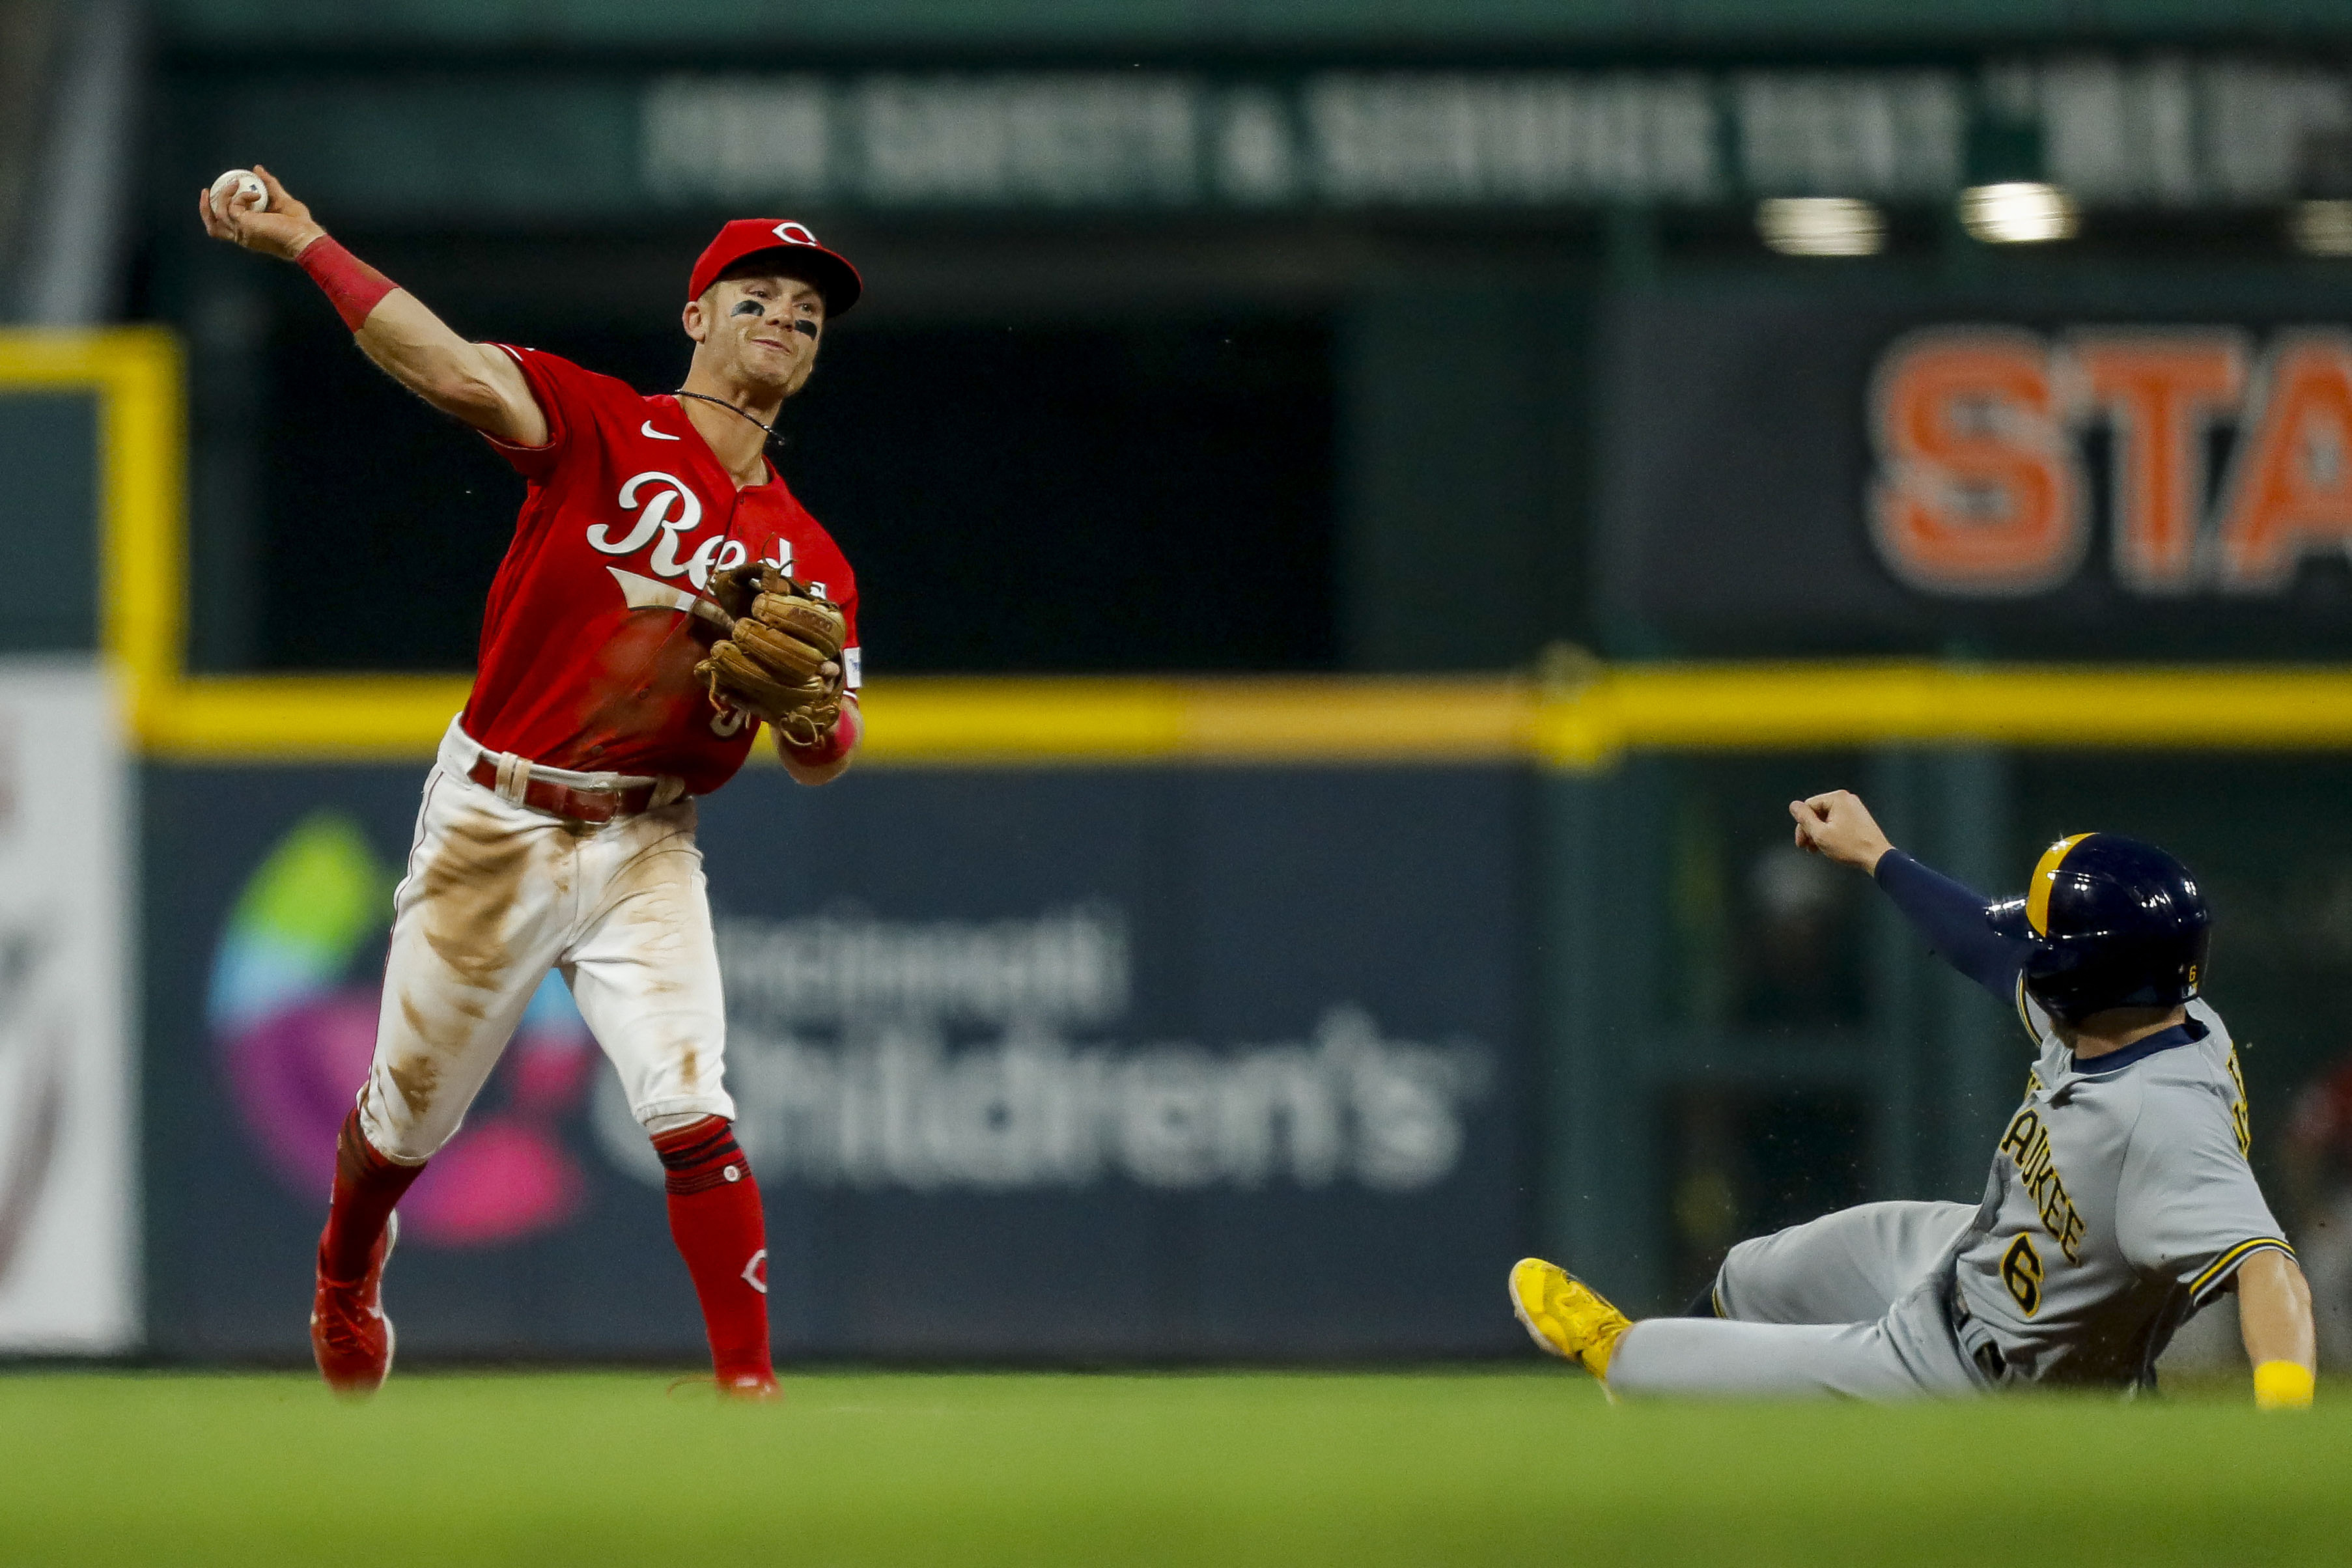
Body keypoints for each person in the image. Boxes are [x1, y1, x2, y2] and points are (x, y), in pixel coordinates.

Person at [199, 166, 866, 1399]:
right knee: (408, 1119)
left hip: (647, 842)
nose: (784, 318)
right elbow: (450, 368)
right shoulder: (599, 419)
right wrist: (307, 242)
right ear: (696, 318)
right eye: (756, 295)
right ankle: (346, 1275)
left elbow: (827, 755)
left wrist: (813, 715)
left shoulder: (809, 552)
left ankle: (749, 1389)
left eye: (808, 313)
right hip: (496, 813)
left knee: (688, 1094)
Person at [1512, 791, 2317, 1408]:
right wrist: (1876, 853)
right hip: (1975, 1255)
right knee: (1756, 1273)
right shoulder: (2125, 1012)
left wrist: (2284, 1414)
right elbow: (1984, 940)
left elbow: (2268, 1268)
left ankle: (1641, 1389)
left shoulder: (2165, 1119)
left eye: (2047, 943)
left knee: (1645, 1357)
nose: (2028, 951)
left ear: (2085, 972)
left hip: (1986, 1375)